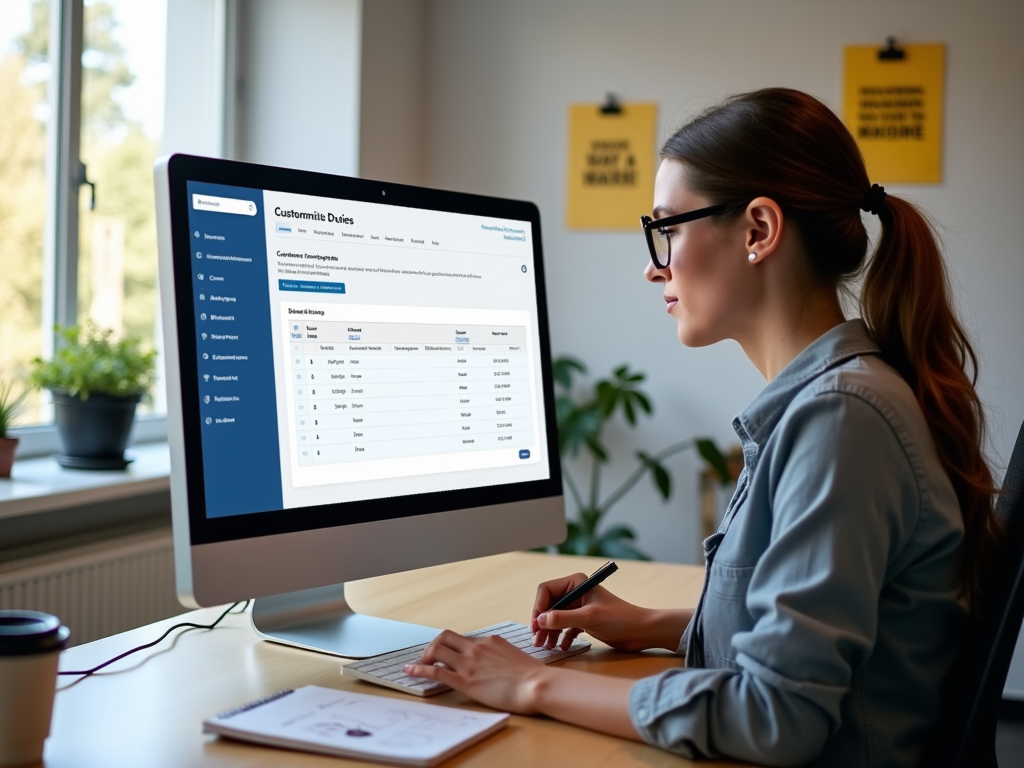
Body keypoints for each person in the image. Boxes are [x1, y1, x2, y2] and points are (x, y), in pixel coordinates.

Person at [404, 88, 1000, 767]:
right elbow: (814, 637)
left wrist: (531, 683)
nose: (653, 265)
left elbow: (777, 717)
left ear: (759, 230)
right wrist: (652, 624)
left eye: (669, 229)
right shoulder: (830, 404)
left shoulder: (843, 419)